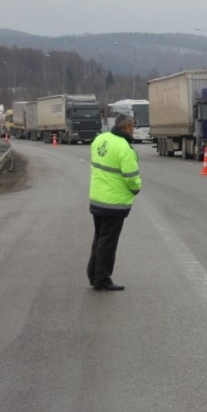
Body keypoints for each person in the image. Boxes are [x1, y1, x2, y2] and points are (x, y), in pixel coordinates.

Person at [87, 112, 142, 291]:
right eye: (132, 127)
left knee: (99, 238)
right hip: (114, 202)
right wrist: (136, 188)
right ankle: (102, 279)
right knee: (108, 242)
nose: (133, 130)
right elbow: (131, 177)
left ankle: (94, 274)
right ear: (125, 128)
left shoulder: (99, 139)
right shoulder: (124, 148)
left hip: (97, 198)